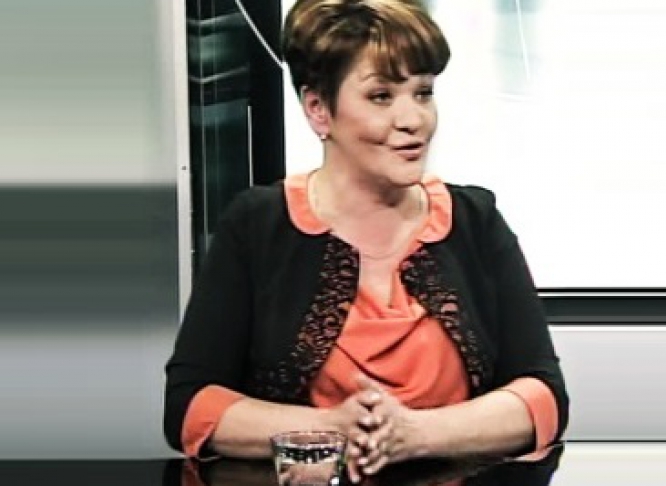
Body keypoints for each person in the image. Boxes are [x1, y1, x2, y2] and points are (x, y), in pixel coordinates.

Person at [164, 0, 569, 482]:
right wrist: (329, 430)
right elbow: (191, 406)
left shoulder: (475, 222)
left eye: (423, 93)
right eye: (381, 96)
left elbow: (543, 396)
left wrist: (414, 433)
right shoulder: (257, 226)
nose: (414, 119)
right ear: (318, 110)